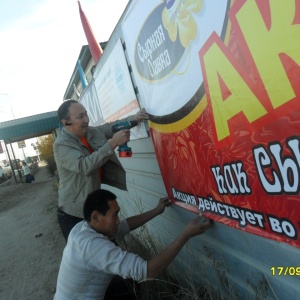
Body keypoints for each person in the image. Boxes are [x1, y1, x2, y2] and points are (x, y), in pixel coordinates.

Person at [54, 189, 212, 300]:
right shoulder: (93, 247)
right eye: (114, 215)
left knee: (126, 284)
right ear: (96, 216)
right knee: (129, 282)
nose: (117, 220)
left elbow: (124, 226)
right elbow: (148, 271)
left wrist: (157, 210)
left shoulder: (82, 228)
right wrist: (185, 235)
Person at [53, 100, 149, 241]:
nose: (86, 120)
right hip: (74, 213)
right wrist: (113, 143)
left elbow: (112, 127)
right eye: (80, 117)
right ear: (65, 122)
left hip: (92, 208)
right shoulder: (61, 144)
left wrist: (134, 119)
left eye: (86, 114)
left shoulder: (91, 132)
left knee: (106, 247)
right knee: (87, 259)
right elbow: (85, 166)